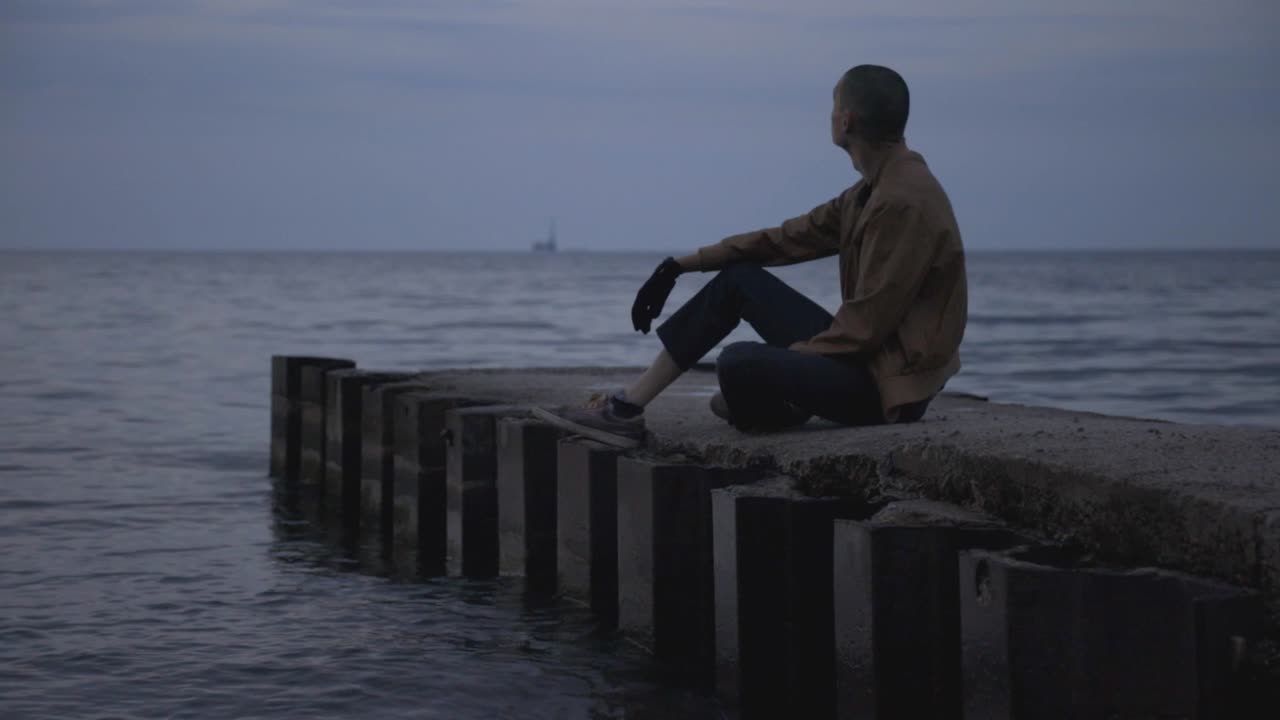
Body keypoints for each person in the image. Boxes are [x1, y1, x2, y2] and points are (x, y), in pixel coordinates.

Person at [533, 64, 968, 448]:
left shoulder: (901, 201)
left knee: (739, 361)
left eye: (833, 105)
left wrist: (791, 361)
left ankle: (778, 402)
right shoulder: (867, 193)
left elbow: (866, 328)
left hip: (887, 389)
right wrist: (683, 265)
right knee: (740, 280)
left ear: (846, 119)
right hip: (867, 360)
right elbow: (784, 239)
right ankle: (626, 410)